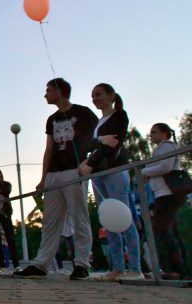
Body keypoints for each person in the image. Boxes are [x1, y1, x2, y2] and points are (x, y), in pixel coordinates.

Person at [14, 78, 97, 280]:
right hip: (53, 174)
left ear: (60, 91)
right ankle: (41, 264)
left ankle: (82, 264)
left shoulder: (83, 112)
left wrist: (88, 162)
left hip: (74, 171)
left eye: (48, 90)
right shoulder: (51, 119)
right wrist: (43, 178)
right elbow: (49, 149)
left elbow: (97, 137)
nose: (45, 94)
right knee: (50, 221)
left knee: (79, 216)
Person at [78, 83, 143, 281]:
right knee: (109, 219)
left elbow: (114, 143)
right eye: (92, 96)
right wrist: (97, 144)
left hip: (115, 171)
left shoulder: (119, 116)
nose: (94, 99)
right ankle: (117, 268)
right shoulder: (98, 122)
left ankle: (136, 268)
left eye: (98, 95)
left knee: (125, 218)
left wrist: (91, 158)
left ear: (111, 96)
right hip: (98, 174)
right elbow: (91, 144)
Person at [142, 123, 191, 279]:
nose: (151, 135)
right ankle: (182, 270)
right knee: (171, 231)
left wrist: (144, 171)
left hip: (167, 194)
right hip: (162, 194)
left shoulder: (167, 147)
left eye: (154, 132)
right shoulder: (162, 148)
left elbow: (165, 166)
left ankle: (173, 269)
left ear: (164, 133)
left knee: (161, 229)